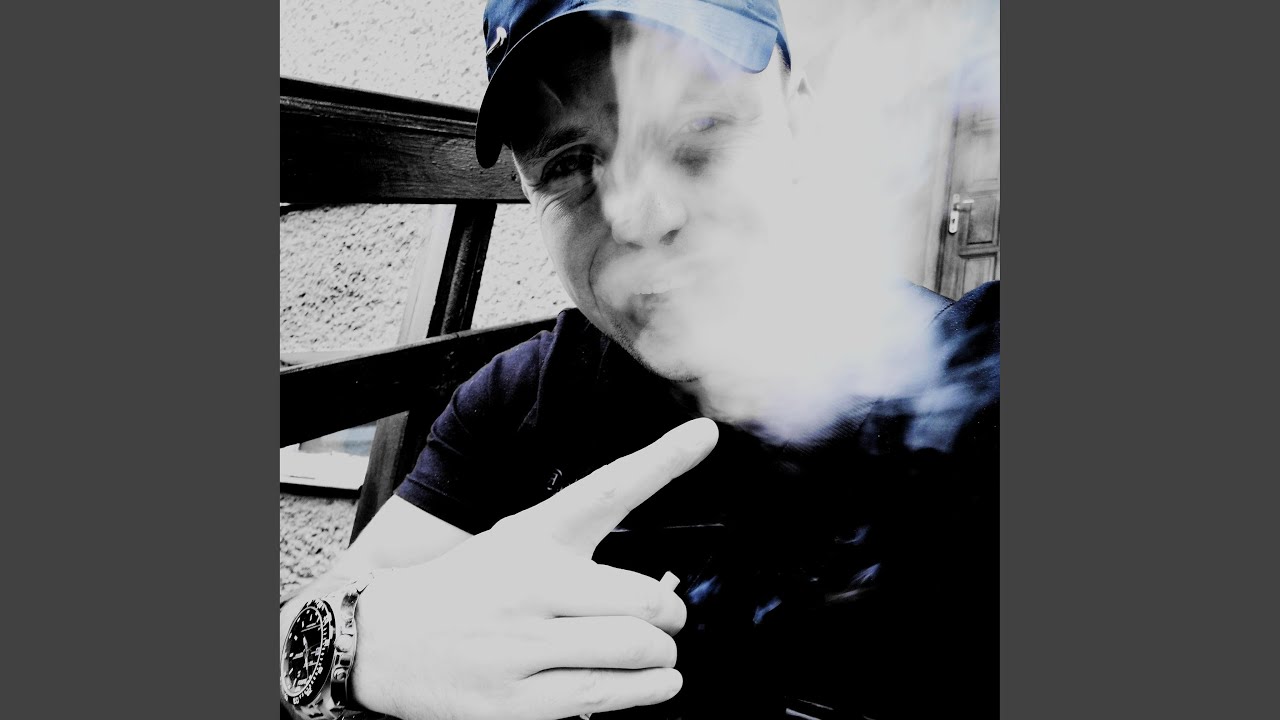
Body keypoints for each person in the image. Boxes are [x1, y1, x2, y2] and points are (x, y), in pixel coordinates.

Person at [280, 1, 1000, 719]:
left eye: (698, 127)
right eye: (569, 162)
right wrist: (359, 646)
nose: (640, 218)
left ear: (801, 125)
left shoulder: (964, 390)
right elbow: (319, 610)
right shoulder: (523, 397)